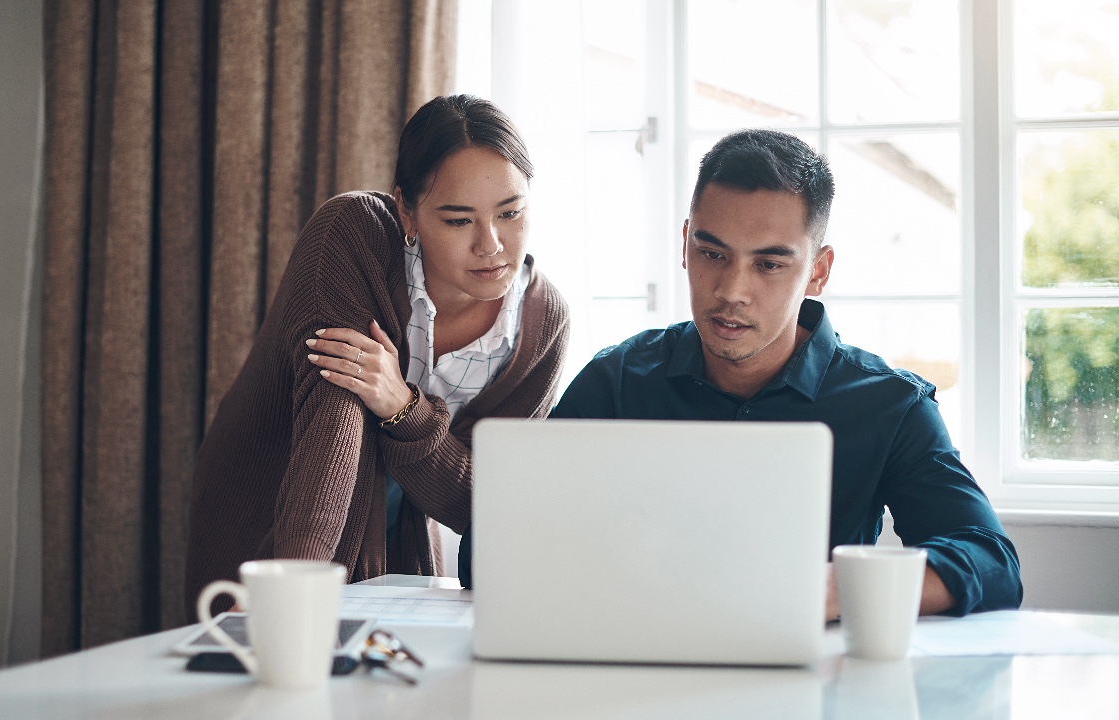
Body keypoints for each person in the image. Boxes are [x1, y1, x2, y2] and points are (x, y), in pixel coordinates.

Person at [532, 129, 1021, 618]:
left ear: (818, 272)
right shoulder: (616, 382)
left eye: (768, 264)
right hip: (631, 669)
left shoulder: (889, 404)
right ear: (685, 244)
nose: (731, 290)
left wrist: (833, 588)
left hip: (815, 680)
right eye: (712, 253)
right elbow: (495, 552)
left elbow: (992, 564)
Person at [184, 95, 569, 619]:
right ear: (406, 211)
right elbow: (332, 424)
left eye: (511, 213)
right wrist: (291, 604)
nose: (492, 245)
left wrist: (403, 408)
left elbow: (486, 505)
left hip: (398, 540)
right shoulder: (353, 235)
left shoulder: (543, 324)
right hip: (276, 512)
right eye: (459, 221)